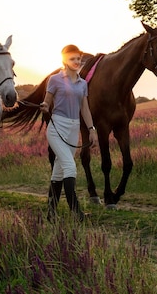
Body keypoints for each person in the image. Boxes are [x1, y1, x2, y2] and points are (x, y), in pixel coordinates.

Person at [40, 44, 98, 222]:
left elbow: (85, 108)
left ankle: (51, 213)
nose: (77, 61)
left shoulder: (83, 83)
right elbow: (47, 102)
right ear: (64, 60)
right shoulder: (55, 80)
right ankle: (77, 213)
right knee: (70, 166)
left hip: (74, 128)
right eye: (73, 58)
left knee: (58, 171)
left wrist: (91, 129)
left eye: (79, 58)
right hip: (57, 127)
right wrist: (45, 106)